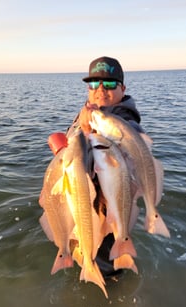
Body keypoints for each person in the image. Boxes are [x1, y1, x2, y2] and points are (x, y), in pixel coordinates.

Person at [67, 56, 143, 278]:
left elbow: (127, 150)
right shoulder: (90, 113)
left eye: (109, 84)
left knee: (107, 271)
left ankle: (115, 302)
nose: (101, 89)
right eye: (93, 84)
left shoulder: (125, 124)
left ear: (122, 88)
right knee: (84, 262)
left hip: (106, 212)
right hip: (82, 208)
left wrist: (87, 133)